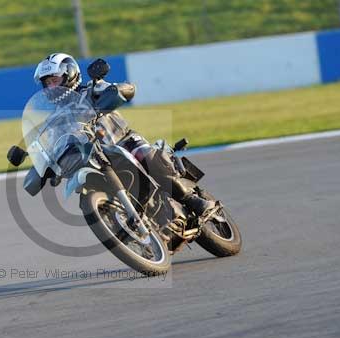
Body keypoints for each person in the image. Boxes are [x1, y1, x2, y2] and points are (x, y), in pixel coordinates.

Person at [33, 53, 216, 217]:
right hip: (93, 158)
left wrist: (115, 92)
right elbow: (54, 146)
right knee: (86, 189)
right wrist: (44, 163)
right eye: (47, 83)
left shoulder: (90, 90)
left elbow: (126, 88)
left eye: (54, 80)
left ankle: (191, 200)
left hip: (123, 142)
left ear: (70, 74)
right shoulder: (53, 120)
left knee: (147, 157)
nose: (51, 86)